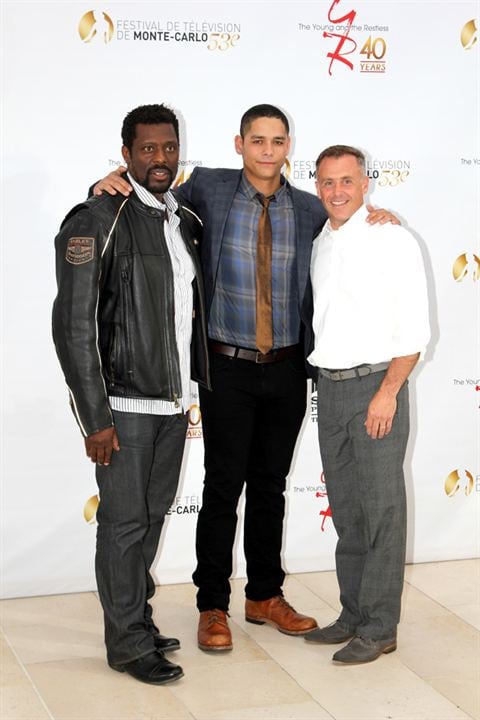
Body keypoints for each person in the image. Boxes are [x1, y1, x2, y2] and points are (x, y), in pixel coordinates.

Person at [94, 105, 397, 653]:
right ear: (239, 144)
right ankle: (212, 604)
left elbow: (347, 224)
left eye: (277, 141)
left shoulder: (308, 209)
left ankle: (264, 595)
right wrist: (105, 182)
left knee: (270, 488)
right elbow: (149, 200)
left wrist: (380, 216)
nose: (266, 150)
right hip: (225, 367)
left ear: (288, 147)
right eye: (256, 140)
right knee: (221, 487)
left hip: (285, 370)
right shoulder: (206, 189)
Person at [52, 104, 210, 684]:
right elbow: (74, 325)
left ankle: (135, 619)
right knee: (122, 522)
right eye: (147, 149)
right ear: (126, 154)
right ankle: (125, 643)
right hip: (122, 405)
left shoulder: (181, 218)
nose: (160, 159)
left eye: (169, 147)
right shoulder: (97, 217)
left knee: (147, 518)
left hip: (173, 404)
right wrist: (94, 417)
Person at [305, 145, 430, 664]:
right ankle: (353, 614)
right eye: (328, 182)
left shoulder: (391, 237)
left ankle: (380, 627)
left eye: (347, 181)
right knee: (350, 514)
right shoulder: (319, 242)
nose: (337, 191)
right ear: (317, 186)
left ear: (366, 183)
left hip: (377, 386)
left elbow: (415, 328)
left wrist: (387, 392)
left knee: (382, 512)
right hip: (329, 389)